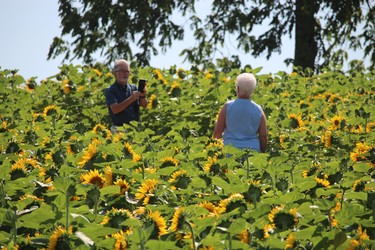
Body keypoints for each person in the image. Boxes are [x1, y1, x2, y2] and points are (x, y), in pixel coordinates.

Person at [213, 73, 267, 153]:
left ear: (238, 88)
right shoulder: (258, 109)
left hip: (230, 150)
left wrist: (215, 150)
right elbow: (263, 136)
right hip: (252, 152)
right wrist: (262, 151)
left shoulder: (227, 106)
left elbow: (218, 132)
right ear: (252, 90)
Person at [105, 59, 147, 133]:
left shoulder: (133, 88)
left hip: (135, 129)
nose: (125, 74)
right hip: (119, 130)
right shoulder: (110, 90)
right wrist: (131, 99)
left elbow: (144, 105)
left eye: (127, 71)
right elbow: (115, 109)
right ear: (115, 73)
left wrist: (143, 96)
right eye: (122, 71)